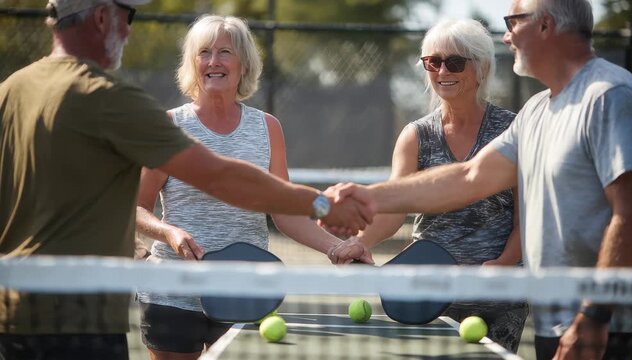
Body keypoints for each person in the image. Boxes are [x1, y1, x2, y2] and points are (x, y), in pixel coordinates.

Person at [0, 1, 373, 359]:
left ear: (244, 62)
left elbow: (269, 204)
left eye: (224, 52)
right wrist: (324, 204)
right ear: (100, 17)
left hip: (18, 308)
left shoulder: (10, 90)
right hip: (113, 307)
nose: (130, 30)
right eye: (126, 16)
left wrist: (331, 242)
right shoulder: (115, 102)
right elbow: (221, 177)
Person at [328, 0, 632, 359]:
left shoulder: (609, 96)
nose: (506, 36)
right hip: (555, 318)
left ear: (545, 26)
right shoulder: (537, 111)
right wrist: (371, 197)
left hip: (601, 322)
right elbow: (469, 177)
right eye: (433, 61)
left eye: (513, 22)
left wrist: (594, 315)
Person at [134, 15, 369, 359]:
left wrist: (336, 247)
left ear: (243, 63)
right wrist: (168, 232)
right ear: (192, 63)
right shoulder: (168, 126)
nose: (213, 61)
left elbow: (285, 209)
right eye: (204, 53)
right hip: (172, 292)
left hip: (243, 291)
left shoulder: (268, 128)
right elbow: (136, 207)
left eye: (224, 52)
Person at [335, 18, 527, 353]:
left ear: (481, 68)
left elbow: (526, 215)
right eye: (432, 62)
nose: (442, 71)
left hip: (498, 296)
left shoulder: (512, 131)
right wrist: (361, 241)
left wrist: (504, 263)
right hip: (431, 296)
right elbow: (394, 209)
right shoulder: (416, 135)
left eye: (454, 62)